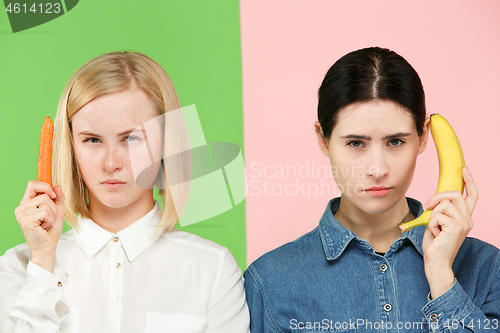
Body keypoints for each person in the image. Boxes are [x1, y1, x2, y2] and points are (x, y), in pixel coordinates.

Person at [244, 47, 500, 332]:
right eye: (355, 143)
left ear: (423, 136)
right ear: (323, 140)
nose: (377, 169)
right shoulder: (270, 281)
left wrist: (442, 277)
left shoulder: (487, 268)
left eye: (395, 142)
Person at [0, 51, 250, 333]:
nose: (111, 163)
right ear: (70, 146)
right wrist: (43, 264)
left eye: (131, 138)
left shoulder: (212, 269)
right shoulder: (18, 267)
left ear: (167, 141)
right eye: (92, 139)